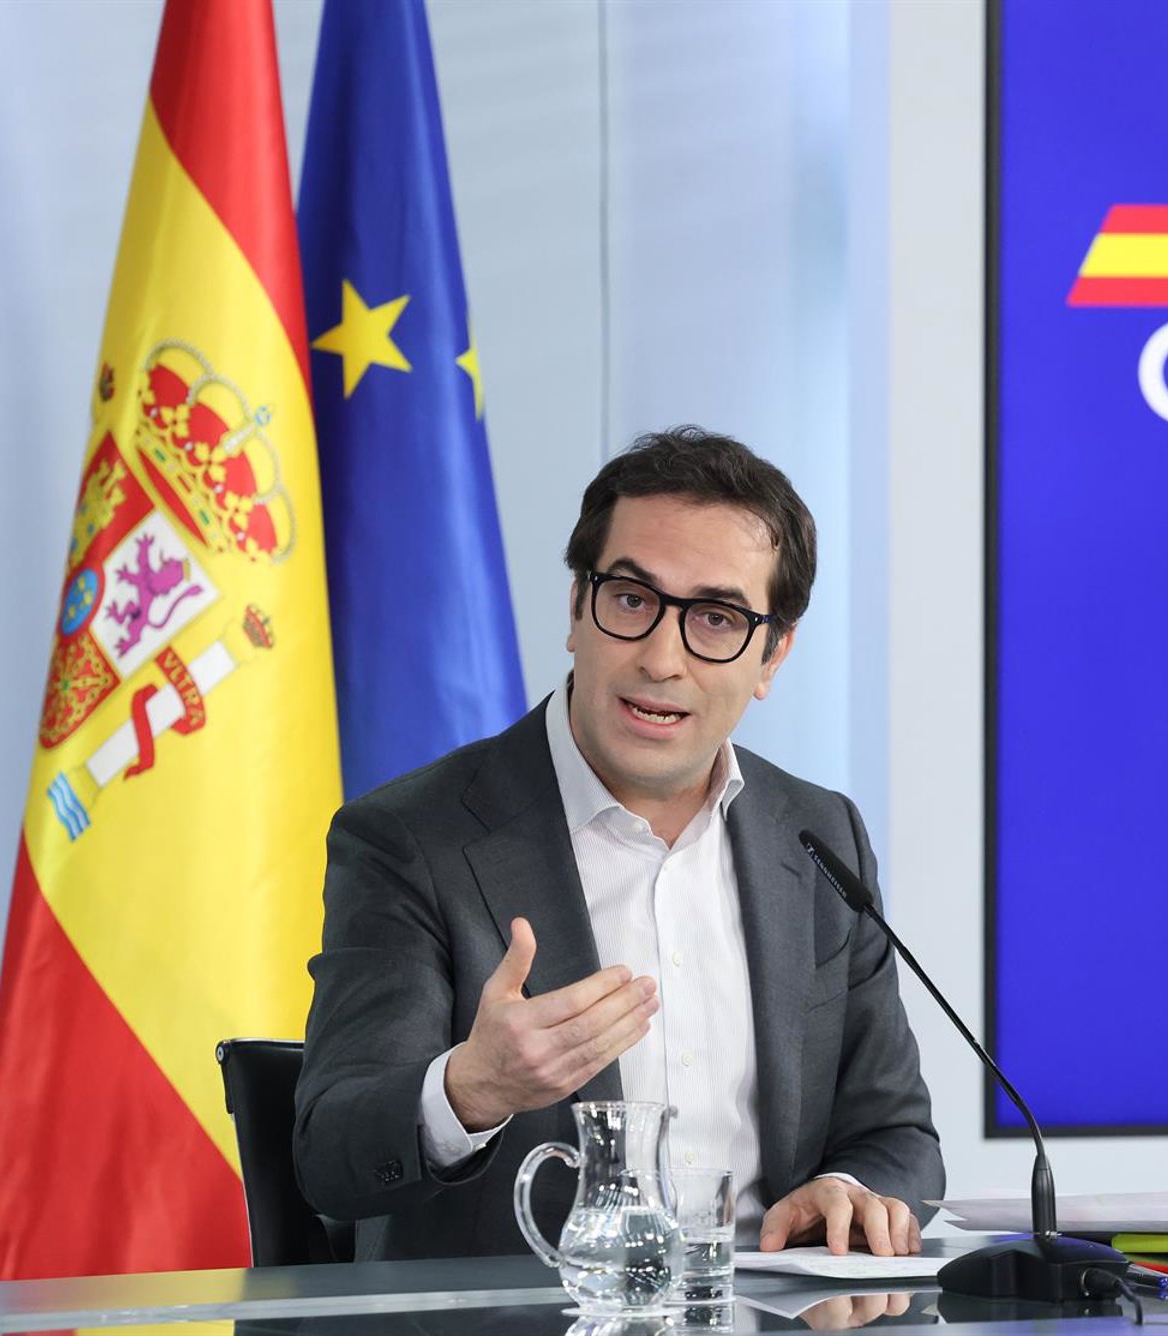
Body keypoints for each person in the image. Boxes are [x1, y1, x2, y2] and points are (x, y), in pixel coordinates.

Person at [293, 427, 942, 1262]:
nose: (662, 659)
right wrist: (470, 1090)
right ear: (577, 607)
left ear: (772, 655)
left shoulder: (820, 838)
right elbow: (331, 1157)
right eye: (632, 600)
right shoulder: (413, 838)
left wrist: (849, 1189)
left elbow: (895, 1133)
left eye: (717, 619)